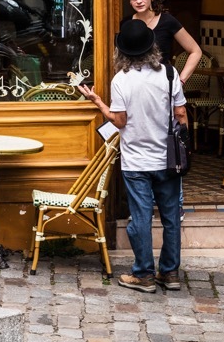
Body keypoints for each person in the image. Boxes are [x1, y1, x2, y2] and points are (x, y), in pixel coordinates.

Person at [78, 20, 188, 293]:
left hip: (137, 161)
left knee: (140, 218)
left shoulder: (121, 80)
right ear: (153, 47)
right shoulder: (170, 74)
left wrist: (97, 102)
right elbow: (181, 115)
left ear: (122, 52)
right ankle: (170, 273)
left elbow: (119, 120)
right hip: (167, 159)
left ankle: (144, 275)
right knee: (171, 216)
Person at [125, 0, 203, 82]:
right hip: (133, 84)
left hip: (161, 85)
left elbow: (196, 51)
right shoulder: (126, 24)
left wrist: (180, 81)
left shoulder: (167, 21)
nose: (138, 1)